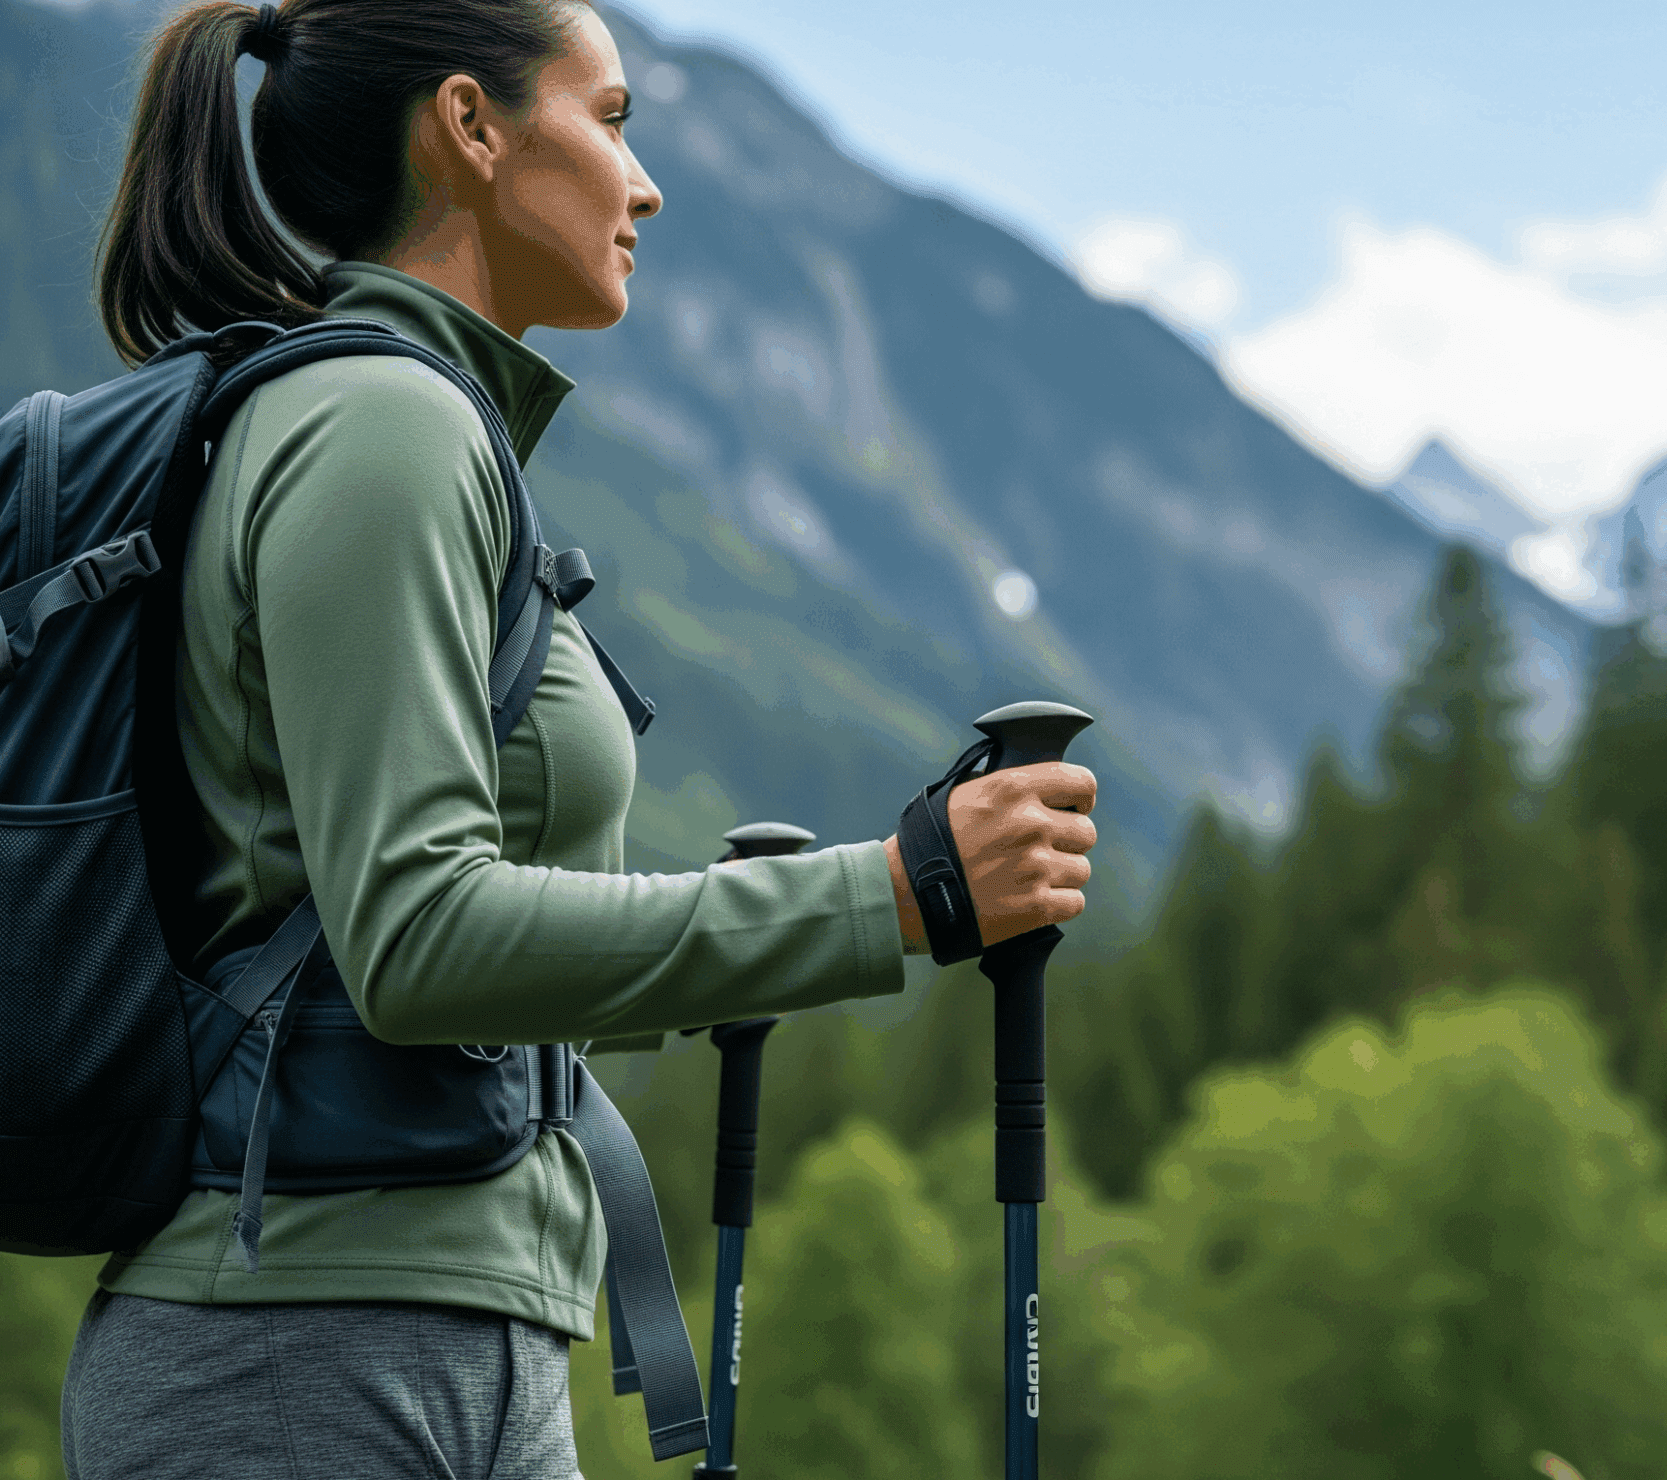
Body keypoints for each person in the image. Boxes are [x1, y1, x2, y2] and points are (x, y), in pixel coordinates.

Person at [59, 1, 1098, 1474]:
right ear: (473, 129)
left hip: (455, 1327)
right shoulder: (379, 429)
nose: (646, 181)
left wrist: (802, 922)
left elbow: (418, 958)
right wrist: (896, 893)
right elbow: (418, 944)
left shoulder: (419, 429)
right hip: (299, 1351)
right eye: (609, 120)